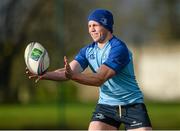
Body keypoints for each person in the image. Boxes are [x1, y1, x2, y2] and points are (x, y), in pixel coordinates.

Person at [26, 9, 152, 130]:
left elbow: (99, 78)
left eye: (95, 25)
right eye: (89, 26)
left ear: (106, 25)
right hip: (106, 106)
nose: (91, 29)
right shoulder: (88, 51)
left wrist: (72, 76)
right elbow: (68, 71)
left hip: (132, 105)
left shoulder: (118, 49)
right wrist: (44, 74)